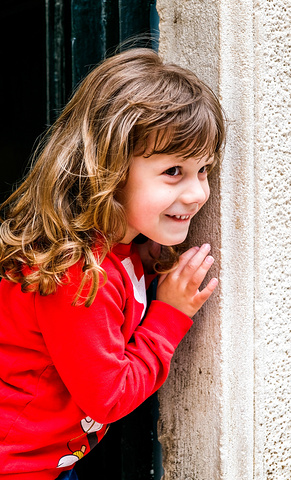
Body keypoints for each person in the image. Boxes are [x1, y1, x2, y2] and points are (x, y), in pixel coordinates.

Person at [0, 48, 225, 479]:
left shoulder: (118, 251)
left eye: (205, 170)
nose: (198, 193)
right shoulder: (79, 275)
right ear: (109, 169)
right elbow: (109, 396)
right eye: (174, 171)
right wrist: (171, 315)